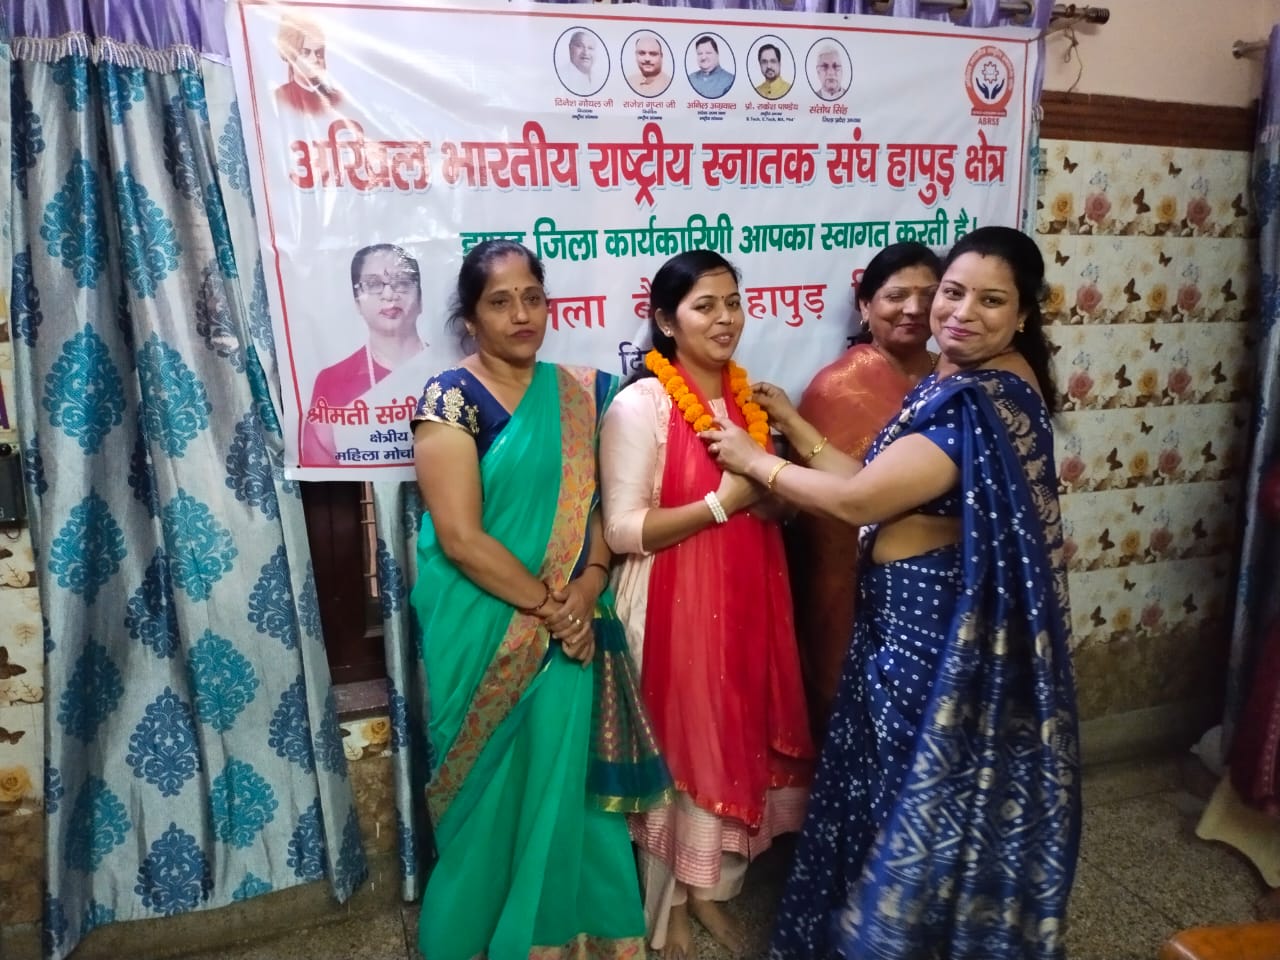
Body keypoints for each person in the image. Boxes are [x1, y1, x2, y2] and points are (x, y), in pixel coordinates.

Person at [704, 226, 1080, 960]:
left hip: (930, 635)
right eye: (954, 292)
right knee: (889, 785)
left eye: (990, 300)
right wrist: (793, 427)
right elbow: (877, 482)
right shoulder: (965, 381)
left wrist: (756, 461)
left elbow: (860, 502)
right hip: (903, 620)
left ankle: (900, 938)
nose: (959, 312)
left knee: (908, 795)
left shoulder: (977, 401)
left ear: (1024, 315)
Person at [411, 240, 668, 960]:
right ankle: (476, 933)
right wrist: (557, 611)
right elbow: (461, 538)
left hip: (574, 616)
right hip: (483, 619)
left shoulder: (587, 393)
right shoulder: (450, 400)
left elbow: (602, 504)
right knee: (492, 787)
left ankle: (565, 931)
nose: (522, 314)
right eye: (500, 302)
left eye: (532, 297)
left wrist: (589, 585)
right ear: (470, 319)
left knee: (566, 779)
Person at [600, 250, 815, 959]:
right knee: (683, 750)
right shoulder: (642, 404)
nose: (725, 319)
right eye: (705, 306)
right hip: (672, 606)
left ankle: (711, 892)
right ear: (666, 321)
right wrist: (724, 503)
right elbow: (622, 530)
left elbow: (771, 506)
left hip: (750, 599)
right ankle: (665, 912)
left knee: (735, 738)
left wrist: (774, 492)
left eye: (733, 303)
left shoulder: (752, 403)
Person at [786, 242, 941, 738]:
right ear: (865, 306)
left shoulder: (953, 380)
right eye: (896, 296)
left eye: (929, 296)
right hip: (851, 583)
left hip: (938, 580)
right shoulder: (838, 387)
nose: (913, 309)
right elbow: (823, 511)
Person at [301, 244, 425, 465]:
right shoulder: (333, 381)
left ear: (421, 297)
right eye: (373, 285)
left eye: (402, 282)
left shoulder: (450, 368)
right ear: (357, 301)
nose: (389, 294)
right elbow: (320, 462)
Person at [274, 14, 342, 115]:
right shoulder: (279, 97)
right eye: (305, 53)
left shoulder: (338, 99)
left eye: (318, 53)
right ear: (292, 55)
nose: (314, 59)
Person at [626, 31, 672, 98]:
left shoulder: (669, 84)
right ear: (636, 55)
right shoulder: (629, 82)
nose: (647, 59)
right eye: (642, 53)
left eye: (653, 54)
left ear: (661, 56)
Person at [688, 35, 734, 99]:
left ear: (717, 54)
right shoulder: (691, 78)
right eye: (700, 53)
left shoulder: (729, 81)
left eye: (708, 53)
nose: (703, 57)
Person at [561, 29, 601, 96]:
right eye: (580, 46)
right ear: (570, 48)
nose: (586, 52)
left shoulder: (599, 78)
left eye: (590, 48)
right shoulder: (562, 75)